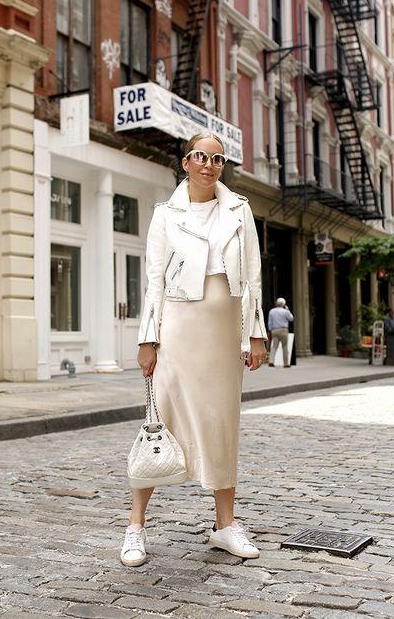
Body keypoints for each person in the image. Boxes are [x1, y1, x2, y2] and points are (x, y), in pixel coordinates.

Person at [121, 132, 268, 568]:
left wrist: (255, 335)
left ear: (223, 166)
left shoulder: (240, 210)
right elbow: (154, 282)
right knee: (158, 419)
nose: (209, 164)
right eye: (201, 156)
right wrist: (148, 339)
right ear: (186, 162)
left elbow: (254, 278)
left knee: (222, 422)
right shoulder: (165, 215)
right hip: (177, 328)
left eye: (217, 159)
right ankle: (135, 526)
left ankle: (225, 525)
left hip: (224, 331)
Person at [267, 298, 294, 367]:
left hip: (274, 330)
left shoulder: (272, 311)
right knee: (284, 347)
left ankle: (271, 361)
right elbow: (291, 318)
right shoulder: (285, 311)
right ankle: (286, 363)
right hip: (283, 330)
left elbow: (270, 322)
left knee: (274, 346)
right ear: (283, 304)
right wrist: (287, 310)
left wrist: (270, 330)